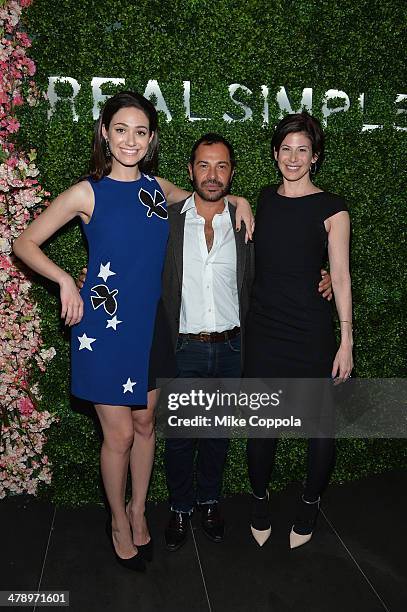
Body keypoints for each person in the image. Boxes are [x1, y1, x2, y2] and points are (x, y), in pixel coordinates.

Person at [12, 92, 254, 572]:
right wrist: (64, 279)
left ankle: (138, 509)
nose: (130, 140)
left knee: (146, 426)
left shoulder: (157, 188)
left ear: (151, 139)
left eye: (140, 131)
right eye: (120, 129)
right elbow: (24, 242)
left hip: (152, 327)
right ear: (105, 132)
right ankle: (117, 522)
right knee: (119, 435)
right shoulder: (87, 192)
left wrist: (242, 198)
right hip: (102, 332)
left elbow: (210, 195)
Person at [159, 133, 333, 552]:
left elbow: (280, 265)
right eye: (203, 165)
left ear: (232, 173)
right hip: (184, 346)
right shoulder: (169, 218)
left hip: (233, 347)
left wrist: (321, 279)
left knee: (217, 434)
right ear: (191, 170)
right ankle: (180, 507)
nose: (212, 175)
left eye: (221, 166)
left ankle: (209, 502)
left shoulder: (243, 224)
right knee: (182, 436)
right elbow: (146, 189)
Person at [244, 112, 353, 549]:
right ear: (275, 154)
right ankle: (258, 499)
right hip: (264, 330)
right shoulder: (263, 199)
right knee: (260, 426)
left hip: (311, 331)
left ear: (315, 157)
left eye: (302, 150)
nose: (293, 157)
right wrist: (239, 201)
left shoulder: (333, 208)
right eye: (286, 149)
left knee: (321, 428)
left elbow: (341, 276)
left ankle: (309, 503)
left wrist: (346, 339)